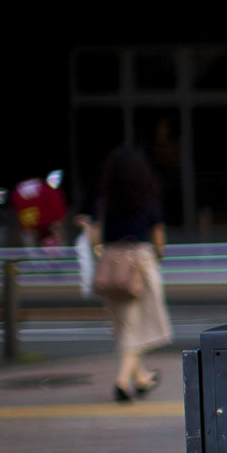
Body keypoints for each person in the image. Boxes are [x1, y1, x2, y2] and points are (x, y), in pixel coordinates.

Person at [84, 146, 172, 403]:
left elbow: (94, 237)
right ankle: (122, 382)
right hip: (139, 264)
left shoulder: (104, 201)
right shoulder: (148, 199)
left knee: (124, 324)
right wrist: (156, 258)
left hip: (111, 264)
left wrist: (104, 254)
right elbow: (159, 240)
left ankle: (142, 377)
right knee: (135, 324)